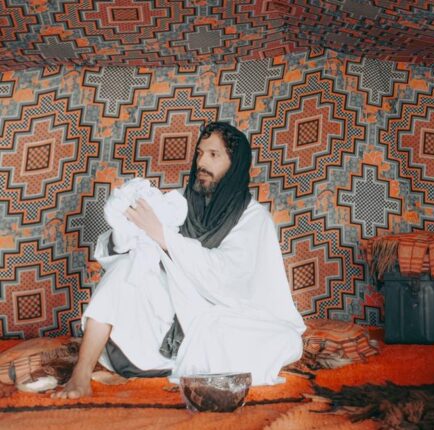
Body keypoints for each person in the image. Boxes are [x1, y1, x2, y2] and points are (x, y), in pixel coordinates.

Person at [52, 122, 305, 399]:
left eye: (213, 155)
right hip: (169, 312)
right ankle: (81, 374)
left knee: (284, 340)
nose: (202, 163)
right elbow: (115, 248)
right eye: (199, 153)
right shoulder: (179, 202)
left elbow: (225, 278)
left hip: (222, 317)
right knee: (126, 268)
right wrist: (126, 232)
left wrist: (161, 235)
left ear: (235, 165)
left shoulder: (254, 218)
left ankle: (181, 363)